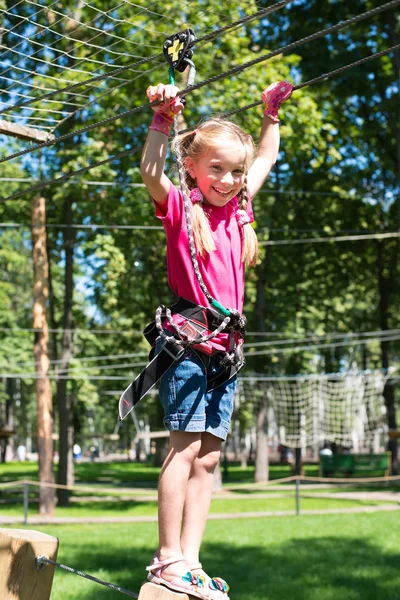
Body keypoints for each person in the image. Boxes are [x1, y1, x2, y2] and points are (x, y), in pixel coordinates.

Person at [141, 80, 292, 599]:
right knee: (182, 451)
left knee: (208, 457)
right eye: (216, 169)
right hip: (187, 345)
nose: (227, 180)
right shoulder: (183, 209)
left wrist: (270, 115)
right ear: (194, 169)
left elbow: (267, 154)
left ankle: (191, 557)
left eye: (234, 171)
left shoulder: (239, 207)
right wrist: (163, 119)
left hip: (226, 353)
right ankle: (166, 559)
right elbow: (150, 172)